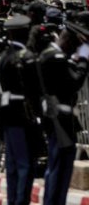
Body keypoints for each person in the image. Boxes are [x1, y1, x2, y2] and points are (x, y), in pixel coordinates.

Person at [37, 11, 89, 205]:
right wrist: (83, 60)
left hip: (59, 116)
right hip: (60, 118)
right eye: (77, 45)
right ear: (69, 39)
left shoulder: (52, 55)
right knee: (59, 167)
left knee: (62, 167)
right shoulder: (56, 57)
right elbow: (74, 83)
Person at [0, 14, 41, 205]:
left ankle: (13, 199)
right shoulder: (28, 57)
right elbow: (35, 89)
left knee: (13, 163)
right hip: (24, 114)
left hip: (6, 112)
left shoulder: (3, 57)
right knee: (25, 164)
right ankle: (20, 201)